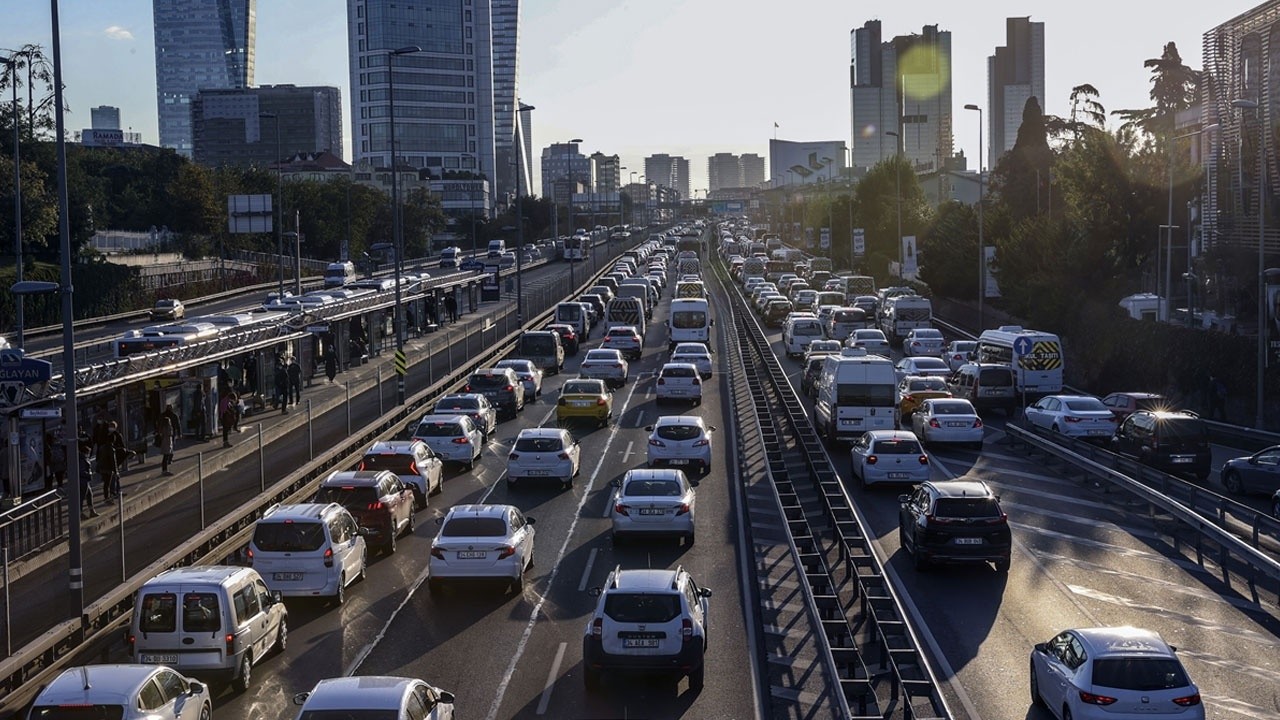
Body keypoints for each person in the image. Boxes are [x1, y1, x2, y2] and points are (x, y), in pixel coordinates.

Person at [97, 420, 127, 503]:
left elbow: (122, 446)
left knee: (110, 480)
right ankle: (113, 493)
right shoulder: (106, 437)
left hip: (110, 461)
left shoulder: (117, 436)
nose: (111, 428)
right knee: (111, 479)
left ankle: (115, 492)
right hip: (109, 462)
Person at [157, 404, 179, 476]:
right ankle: (165, 470)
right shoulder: (167, 429)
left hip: (166, 443)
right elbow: (176, 426)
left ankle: (166, 467)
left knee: (167, 455)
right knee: (166, 455)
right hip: (167, 443)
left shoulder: (162, 417)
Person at [78, 440, 98, 518]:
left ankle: (91, 511)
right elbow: (81, 471)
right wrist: (89, 475)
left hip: (85, 480)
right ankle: (80, 513)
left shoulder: (83, 459)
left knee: (89, 495)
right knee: (82, 497)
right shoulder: (82, 460)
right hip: (83, 481)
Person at [44, 427, 67, 491]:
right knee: (59, 480)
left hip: (51, 465)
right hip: (59, 464)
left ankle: (50, 490)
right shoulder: (57, 444)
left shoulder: (46, 446)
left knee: (49, 479)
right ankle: (60, 490)